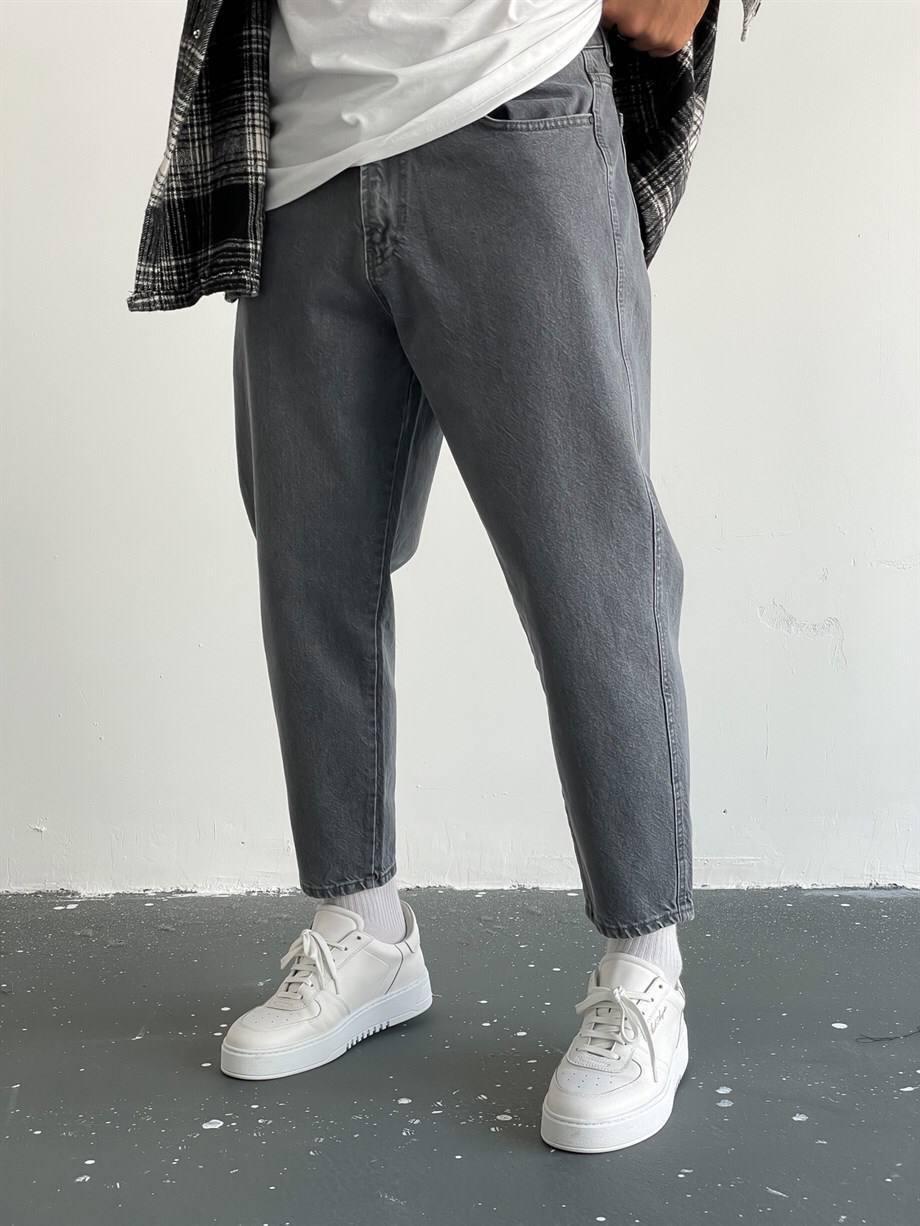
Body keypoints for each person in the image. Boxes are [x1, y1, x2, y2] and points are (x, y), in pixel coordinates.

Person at [127, 0, 763, 1152]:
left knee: (586, 566)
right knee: (311, 566)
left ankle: (643, 961)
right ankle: (362, 926)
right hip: (305, 143)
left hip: (510, 100)